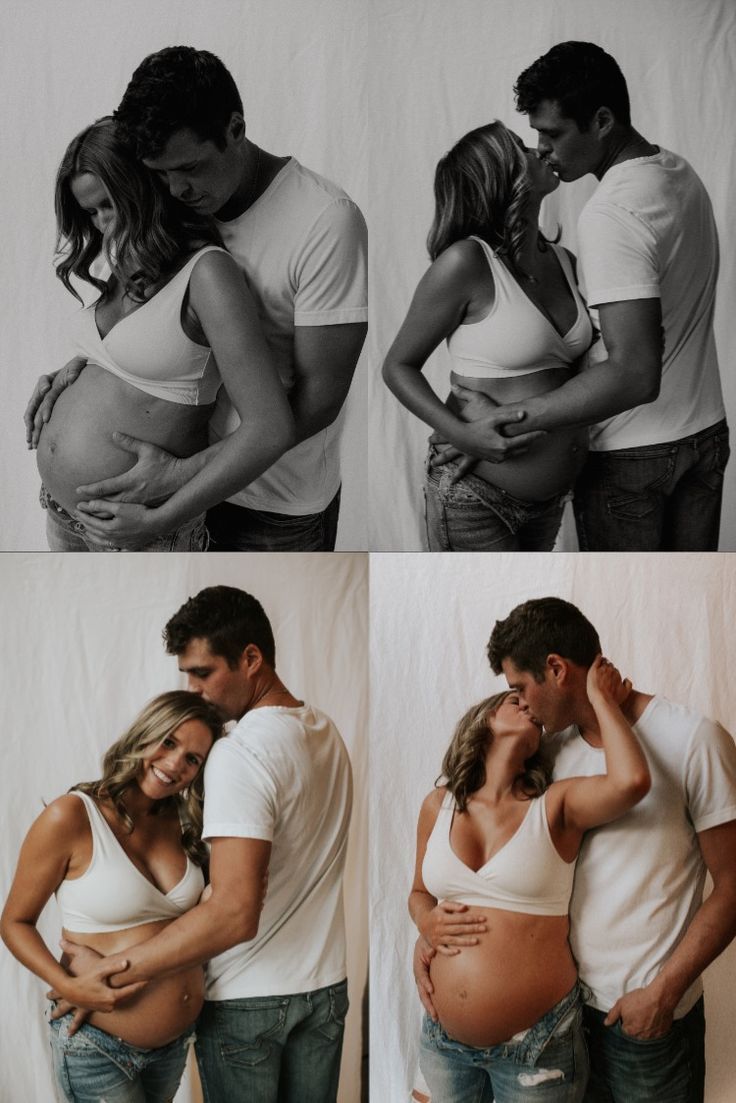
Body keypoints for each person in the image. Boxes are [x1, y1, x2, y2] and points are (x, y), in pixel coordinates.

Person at [26, 46, 368, 551]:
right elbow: (166, 336)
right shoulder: (169, 212)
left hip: (269, 505)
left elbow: (319, 400)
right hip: (161, 487)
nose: (177, 188)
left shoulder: (324, 220)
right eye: (160, 175)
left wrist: (181, 476)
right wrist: (87, 370)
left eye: (189, 167)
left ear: (235, 128)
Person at [416, 597, 736, 1101]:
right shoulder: (548, 756)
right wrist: (429, 934)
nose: (521, 704)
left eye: (519, 687)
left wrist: (664, 992)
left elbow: (733, 884)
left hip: (642, 1018)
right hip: (561, 1018)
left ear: (557, 669)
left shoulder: (694, 739)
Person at [49, 586, 354, 1103]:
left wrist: (111, 972)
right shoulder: (325, 730)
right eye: (186, 675)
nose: (194, 690)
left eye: (203, 672)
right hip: (326, 988)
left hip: (251, 1001)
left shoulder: (239, 752)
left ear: (251, 659)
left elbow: (235, 914)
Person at [441, 41, 728, 551]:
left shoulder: (610, 213)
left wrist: (504, 420)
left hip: (635, 456)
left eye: (552, 134)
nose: (542, 150)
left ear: (601, 121)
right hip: (705, 434)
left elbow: (636, 373)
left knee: (631, 612)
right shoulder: (680, 174)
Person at [33, 116, 295, 552]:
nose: (101, 225)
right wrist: (66, 376)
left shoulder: (208, 274)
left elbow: (271, 428)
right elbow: (136, 361)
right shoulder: (127, 263)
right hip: (62, 514)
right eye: (90, 212)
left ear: (142, 187)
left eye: (108, 205)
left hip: (139, 528)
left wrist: (159, 519)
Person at [412, 658, 649, 1100]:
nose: (528, 705)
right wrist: (426, 924)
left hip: (538, 1048)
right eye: (514, 698)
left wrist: (601, 700)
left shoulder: (555, 806)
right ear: (484, 718)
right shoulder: (436, 805)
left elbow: (632, 781)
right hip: (443, 1041)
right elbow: (418, 893)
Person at [0, 691, 224, 1102]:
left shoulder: (188, 823)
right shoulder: (71, 816)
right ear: (145, 733)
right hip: (98, 1047)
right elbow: (14, 922)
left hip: (173, 1048)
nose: (175, 764)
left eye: (193, 759)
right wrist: (69, 984)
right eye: (169, 742)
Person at [382, 120, 594, 551]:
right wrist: (463, 434)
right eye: (520, 148)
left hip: (550, 503)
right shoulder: (466, 263)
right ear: (499, 175)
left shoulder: (566, 261)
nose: (538, 151)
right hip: (475, 499)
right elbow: (397, 367)